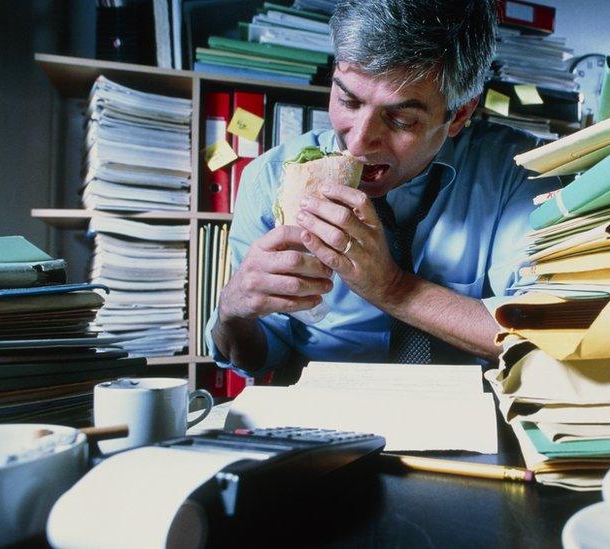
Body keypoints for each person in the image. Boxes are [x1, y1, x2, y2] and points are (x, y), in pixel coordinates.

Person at [206, 0, 561, 377]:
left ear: (458, 115)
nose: (358, 143)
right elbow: (258, 358)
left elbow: (543, 337)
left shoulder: (523, 173)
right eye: (348, 100)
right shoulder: (269, 178)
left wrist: (391, 287)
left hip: (474, 418)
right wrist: (231, 312)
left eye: (401, 119)